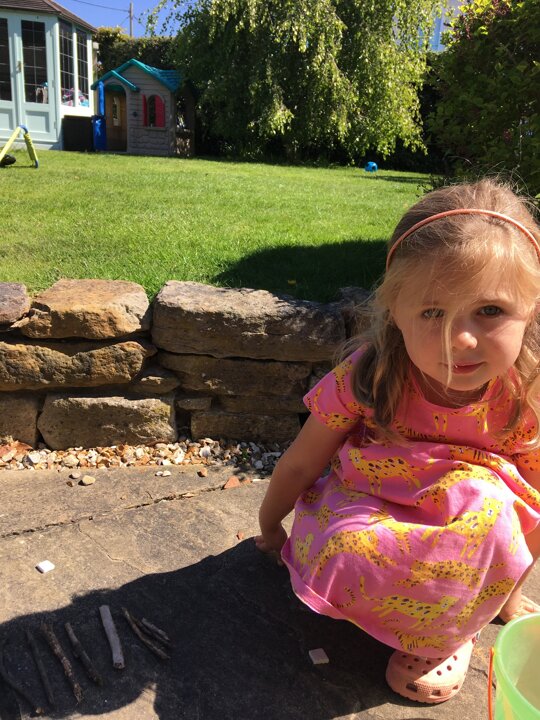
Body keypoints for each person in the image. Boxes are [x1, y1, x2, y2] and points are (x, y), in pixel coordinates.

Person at [255, 178, 540, 704]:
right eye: (432, 312)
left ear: (532, 308)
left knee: (492, 510)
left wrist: (506, 594)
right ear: (395, 312)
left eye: (490, 311)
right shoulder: (373, 375)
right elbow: (302, 462)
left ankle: (450, 633)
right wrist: (271, 525)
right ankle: (402, 606)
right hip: (372, 498)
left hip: (471, 529)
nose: (461, 339)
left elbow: (535, 510)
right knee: (347, 546)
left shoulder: (526, 393)